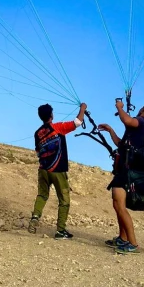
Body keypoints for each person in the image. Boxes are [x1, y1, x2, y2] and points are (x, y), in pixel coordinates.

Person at [98, 99, 144, 254]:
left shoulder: (142, 121)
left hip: (126, 171)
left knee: (119, 205)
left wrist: (119, 107)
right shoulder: (141, 128)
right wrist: (110, 130)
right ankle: (123, 238)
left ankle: (133, 243)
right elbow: (121, 144)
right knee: (117, 204)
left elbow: (127, 119)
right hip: (125, 169)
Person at [28, 102, 87, 239]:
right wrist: (83, 108)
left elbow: (38, 151)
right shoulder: (58, 127)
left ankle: (35, 216)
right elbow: (77, 122)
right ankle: (60, 230)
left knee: (42, 195)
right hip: (58, 169)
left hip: (43, 169)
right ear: (51, 115)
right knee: (64, 200)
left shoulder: (37, 133)